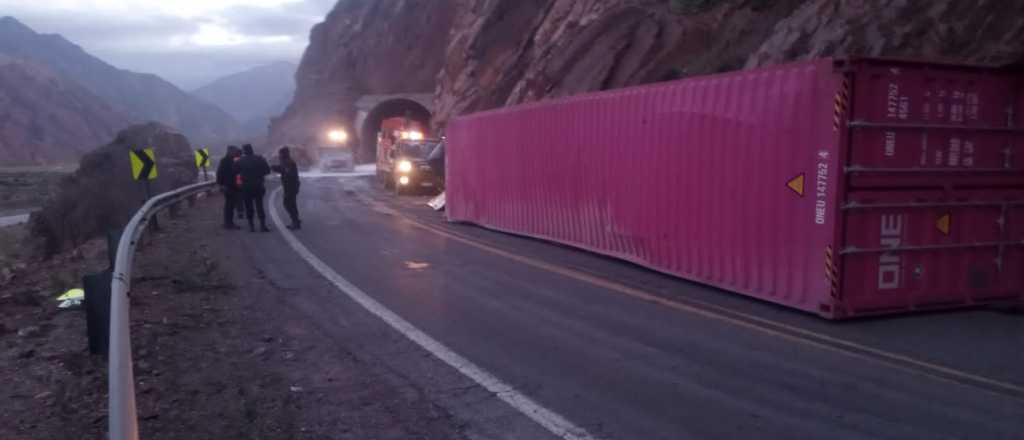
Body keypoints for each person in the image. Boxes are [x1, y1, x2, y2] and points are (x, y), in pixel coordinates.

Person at [234, 144, 271, 232]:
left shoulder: (240, 161)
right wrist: (259, 174)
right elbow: (267, 171)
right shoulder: (260, 158)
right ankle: (262, 225)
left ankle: (251, 226)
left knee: (248, 206)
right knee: (259, 205)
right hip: (258, 185)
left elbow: (235, 171)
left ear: (244, 151)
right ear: (252, 149)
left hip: (246, 187)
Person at [271, 146, 302, 229]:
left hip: (291, 186)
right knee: (291, 203)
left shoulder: (288, 162)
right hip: (290, 185)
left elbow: (288, 172)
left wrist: (278, 169)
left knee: (288, 203)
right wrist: (276, 168)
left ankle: (295, 221)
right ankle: (296, 220)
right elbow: (283, 169)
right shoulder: (286, 161)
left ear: (283, 154)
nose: (279, 155)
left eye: (280, 153)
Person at [215, 145, 242, 229]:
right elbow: (220, 173)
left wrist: (220, 184)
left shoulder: (229, 160)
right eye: (234, 151)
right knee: (230, 205)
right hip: (229, 186)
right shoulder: (227, 161)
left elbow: (219, 173)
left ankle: (228, 223)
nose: (235, 152)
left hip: (231, 186)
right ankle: (228, 224)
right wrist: (221, 184)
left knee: (230, 204)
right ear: (230, 151)